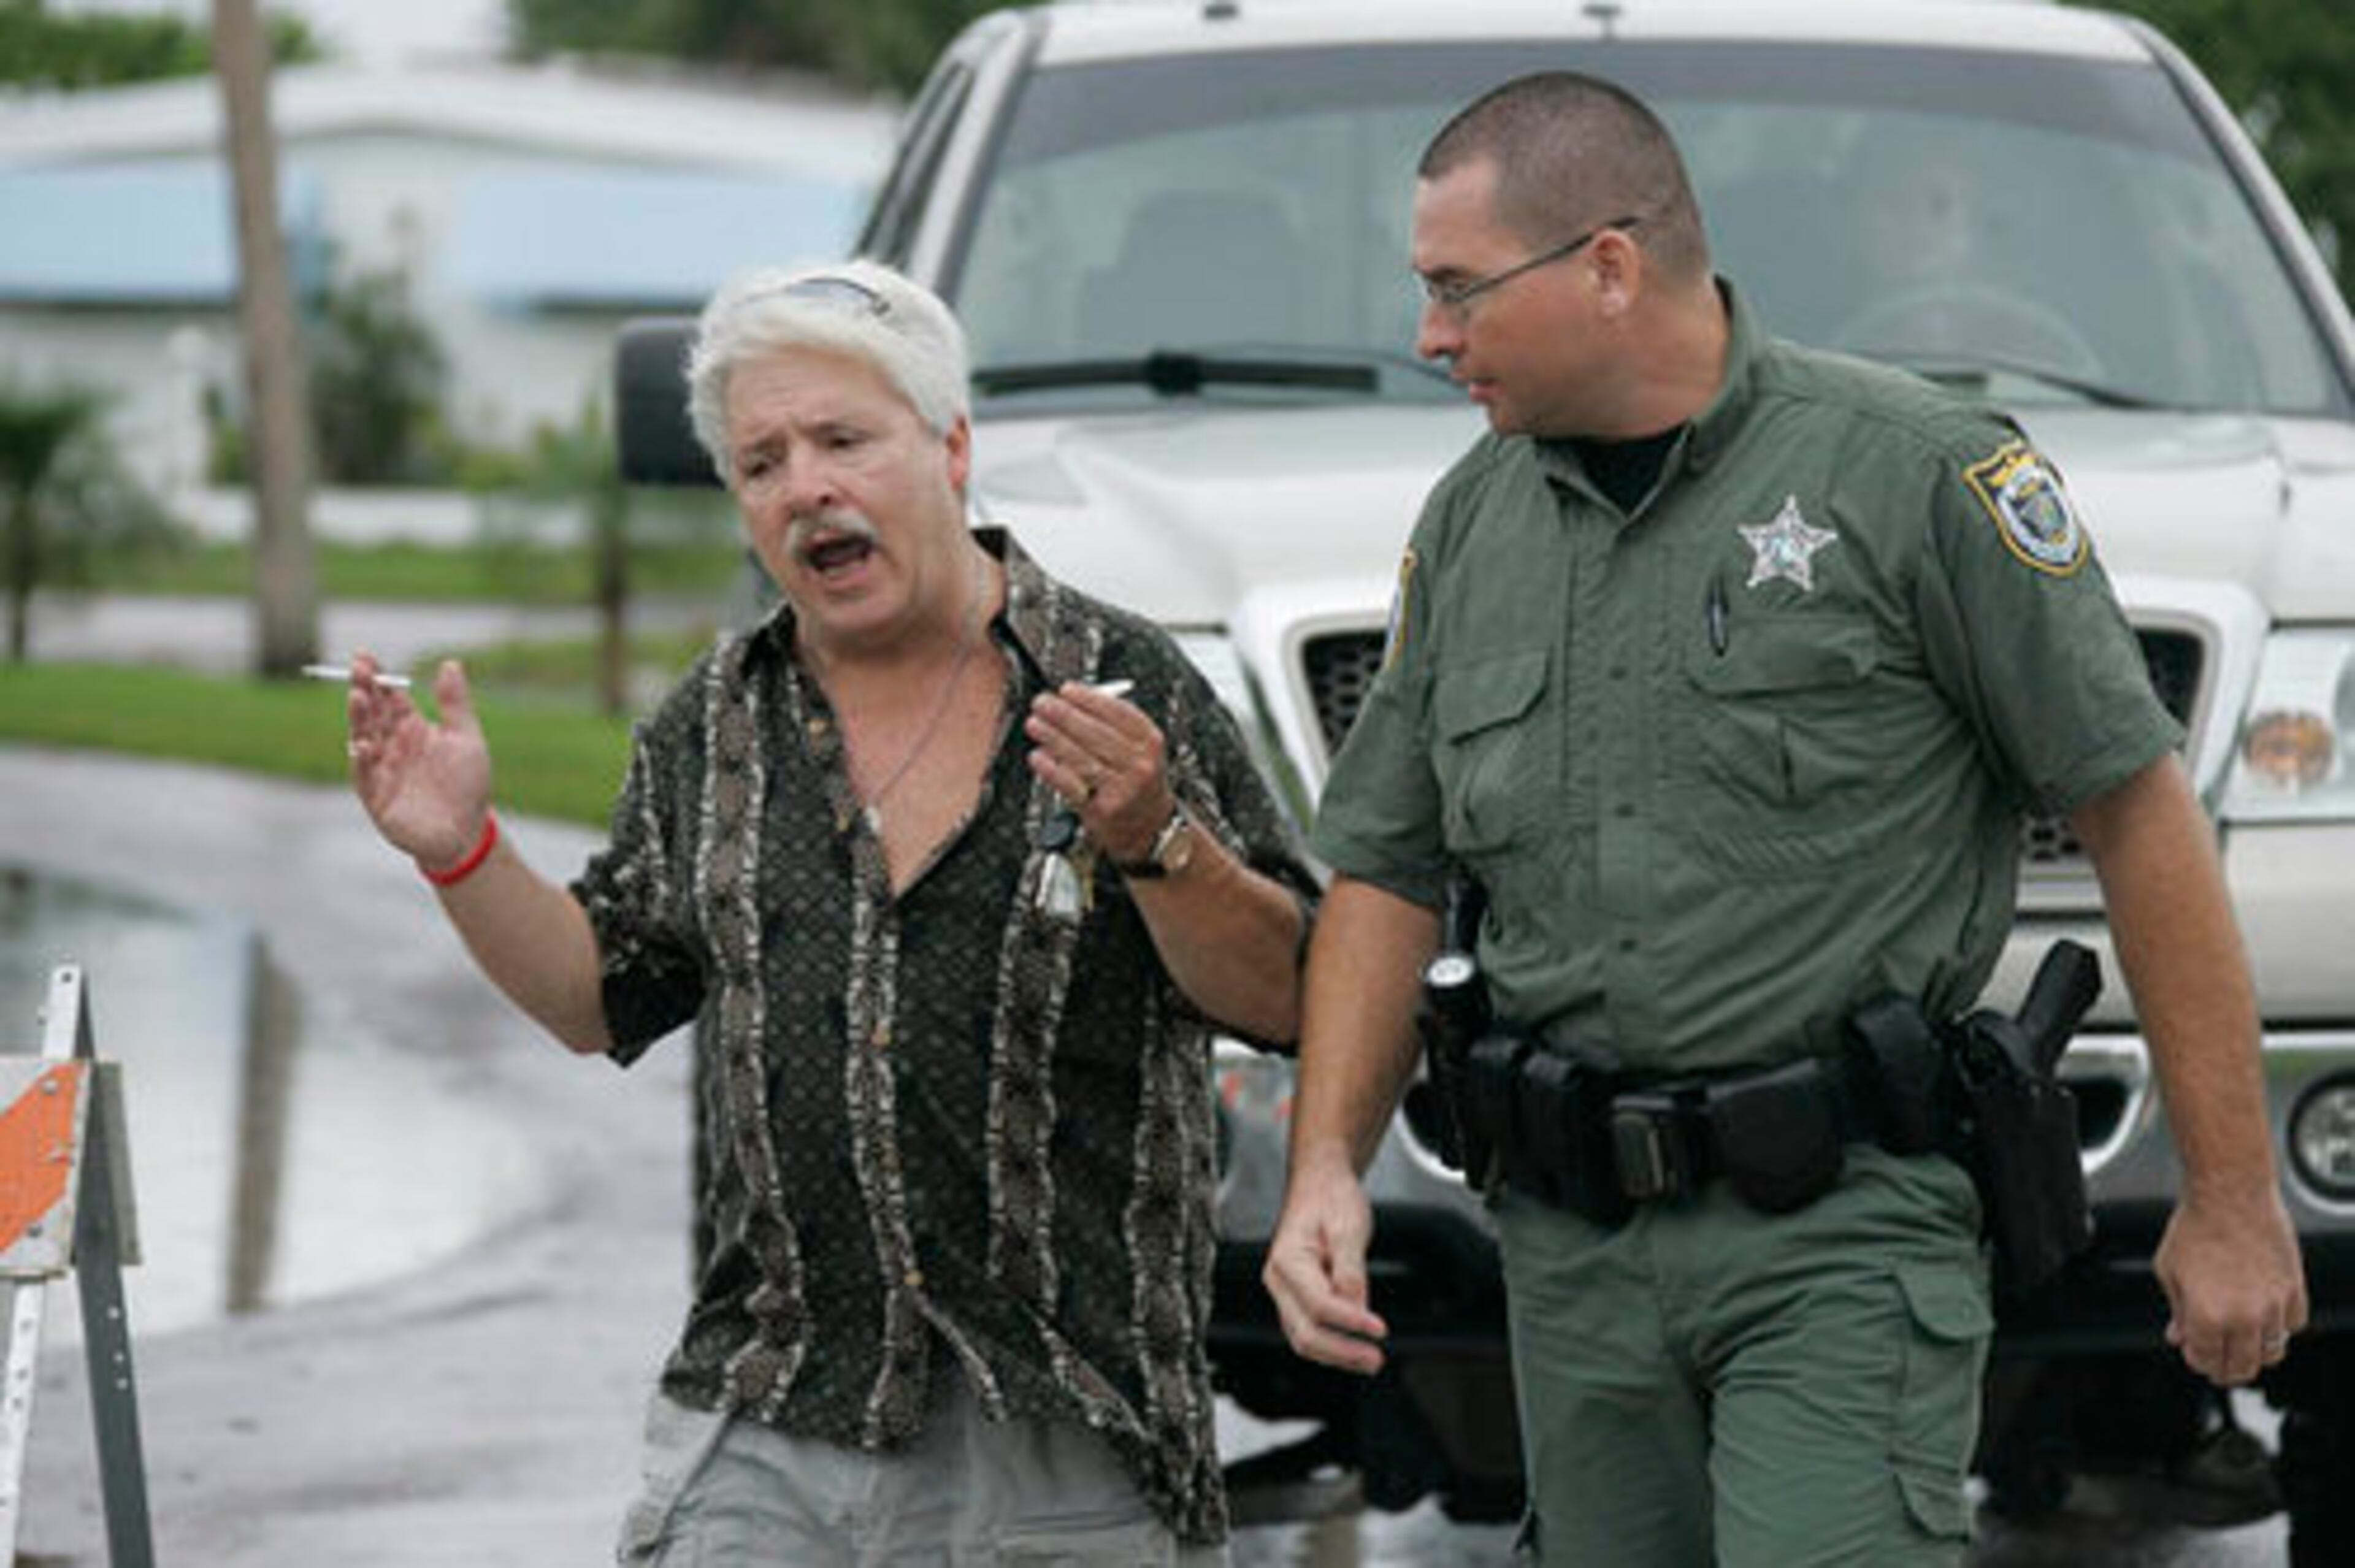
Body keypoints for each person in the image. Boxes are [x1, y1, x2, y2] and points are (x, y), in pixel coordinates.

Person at [1260, 71, 2307, 1566]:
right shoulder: (1473, 524)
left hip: (1838, 1235)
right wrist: (1323, 1174)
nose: (1430, 337)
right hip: (1571, 1254)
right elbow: (1386, 867)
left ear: (1608, 267)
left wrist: (2229, 1196)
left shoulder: (1920, 477)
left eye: (1455, 291)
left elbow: (2141, 818)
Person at [339, 258, 1314, 1564]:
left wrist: (1155, 837)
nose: (806, 486)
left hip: (1067, 1430)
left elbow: (1288, 992)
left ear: (951, 447)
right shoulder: (711, 728)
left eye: (844, 440)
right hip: (776, 1407)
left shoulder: (1128, 687)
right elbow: (598, 995)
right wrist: (463, 852)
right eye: (763, 462)